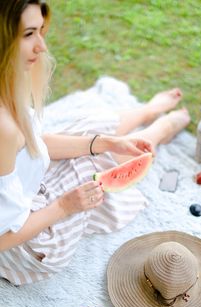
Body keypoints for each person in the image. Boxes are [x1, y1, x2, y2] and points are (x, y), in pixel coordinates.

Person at [0, 0, 190, 285]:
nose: (42, 46)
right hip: (31, 244)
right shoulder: (3, 128)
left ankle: (145, 113)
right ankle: (160, 130)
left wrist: (106, 143)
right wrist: (65, 207)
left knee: (93, 134)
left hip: (25, 196)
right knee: (94, 166)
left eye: (41, 31)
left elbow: (33, 146)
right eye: (29, 34)